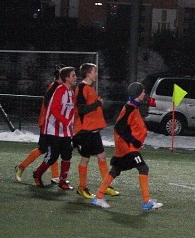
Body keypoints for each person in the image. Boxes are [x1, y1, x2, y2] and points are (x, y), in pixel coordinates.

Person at [91, 82, 162, 211]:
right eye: (143, 92)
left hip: (125, 148)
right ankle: (147, 201)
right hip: (128, 149)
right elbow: (119, 127)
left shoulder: (132, 107)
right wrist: (133, 140)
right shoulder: (130, 108)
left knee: (115, 171)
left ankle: (99, 196)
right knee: (143, 168)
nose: (144, 93)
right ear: (138, 93)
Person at [72, 63, 119, 201]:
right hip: (85, 130)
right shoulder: (81, 88)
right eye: (94, 72)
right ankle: (82, 187)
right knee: (85, 158)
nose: (96, 74)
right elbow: (81, 110)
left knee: (102, 156)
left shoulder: (89, 88)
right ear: (88, 74)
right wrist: (97, 104)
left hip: (93, 130)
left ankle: (106, 186)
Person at [15, 66, 62, 185]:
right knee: (44, 149)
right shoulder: (55, 87)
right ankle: (21, 167)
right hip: (47, 124)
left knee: (53, 149)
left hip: (52, 123)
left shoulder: (59, 87)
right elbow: (48, 104)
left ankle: (55, 176)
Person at [33, 66, 77, 189]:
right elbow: (53, 109)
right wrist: (66, 121)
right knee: (52, 156)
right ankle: (37, 174)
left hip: (65, 130)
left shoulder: (70, 91)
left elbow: (71, 110)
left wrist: (72, 122)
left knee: (67, 155)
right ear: (67, 78)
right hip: (53, 129)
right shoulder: (60, 90)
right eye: (73, 75)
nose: (75, 77)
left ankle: (62, 181)